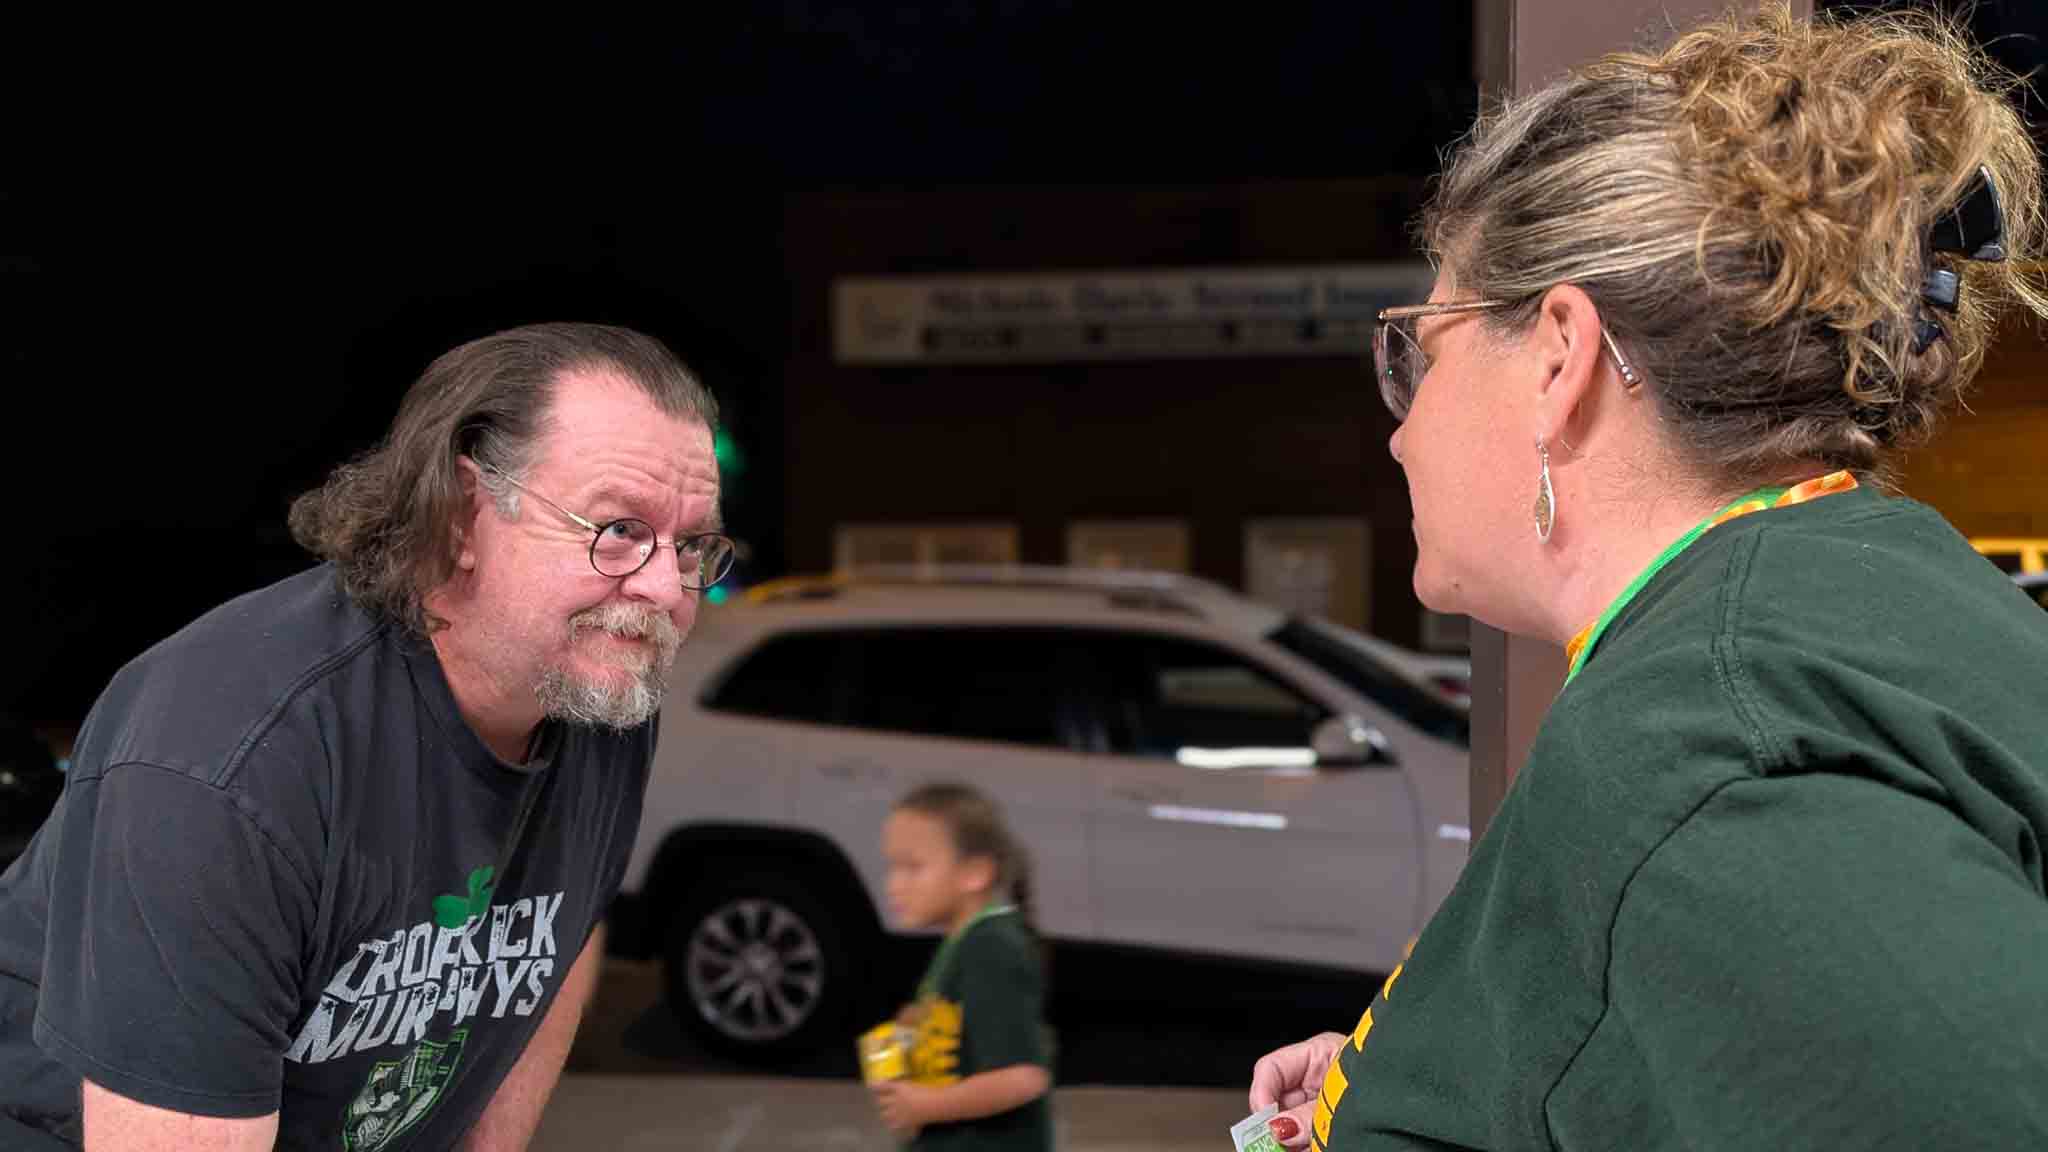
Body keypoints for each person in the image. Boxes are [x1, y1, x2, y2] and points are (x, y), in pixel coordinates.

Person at [1249, 5, 2048, 1150]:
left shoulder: (1712, 737)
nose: (1400, 431)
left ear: (1558, 358)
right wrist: (1436, 1069)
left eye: (1420, 352)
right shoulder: (1844, 596)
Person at [0, 322, 736, 1150]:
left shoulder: (596, 690)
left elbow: (558, 935)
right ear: (462, 516)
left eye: (692, 544)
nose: (666, 589)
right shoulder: (229, 760)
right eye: (620, 530)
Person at [871, 782, 1052, 1151]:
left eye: (913, 867)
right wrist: (913, 1029)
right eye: (892, 866)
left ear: (974, 873)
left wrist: (926, 1106)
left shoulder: (991, 948)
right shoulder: (967, 938)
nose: (893, 884)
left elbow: (1024, 1078)